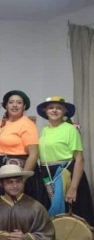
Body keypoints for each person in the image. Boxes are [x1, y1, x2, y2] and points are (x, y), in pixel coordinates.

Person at [37, 96, 94, 224]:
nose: (55, 110)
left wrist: (73, 188)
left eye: (59, 108)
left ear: (65, 112)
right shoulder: (44, 130)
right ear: (45, 111)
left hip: (66, 173)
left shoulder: (70, 130)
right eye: (51, 108)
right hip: (47, 175)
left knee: (71, 214)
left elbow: (79, 160)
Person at [0, 90, 46, 202]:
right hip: (0, 167)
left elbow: (33, 155)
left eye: (19, 103)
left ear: (24, 106)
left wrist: (22, 180)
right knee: (2, 203)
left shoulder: (27, 124)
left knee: (17, 205)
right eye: (11, 102)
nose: (14, 105)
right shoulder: (3, 122)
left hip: (17, 169)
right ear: (6, 105)